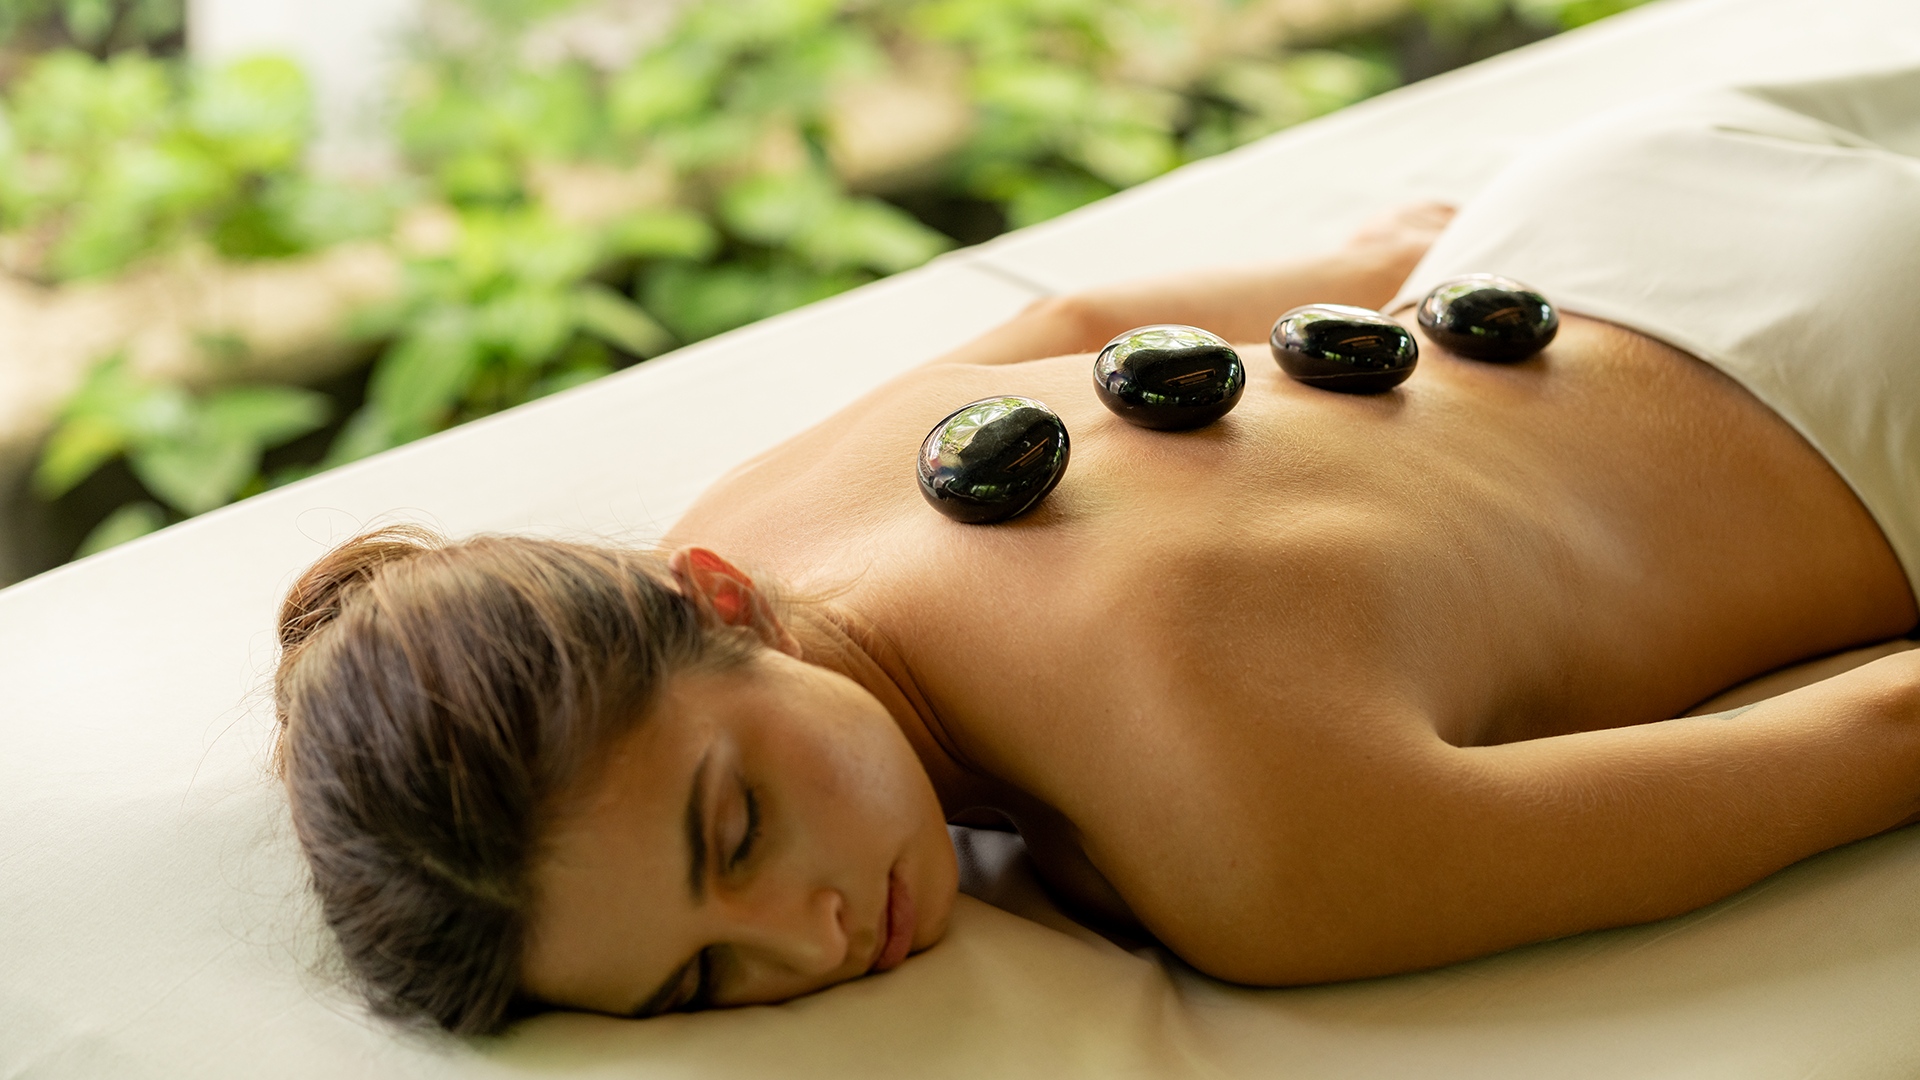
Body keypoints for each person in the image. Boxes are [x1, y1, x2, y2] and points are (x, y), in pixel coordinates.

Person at [271, 68, 1920, 1036]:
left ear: (711, 611)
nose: (813, 931)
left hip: (1867, 391)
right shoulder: (734, 538)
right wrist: (1375, 262)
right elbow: (1056, 329)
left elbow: (1878, 733)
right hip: (1582, 213)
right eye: (704, 981)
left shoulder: (1254, 864)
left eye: (740, 825)